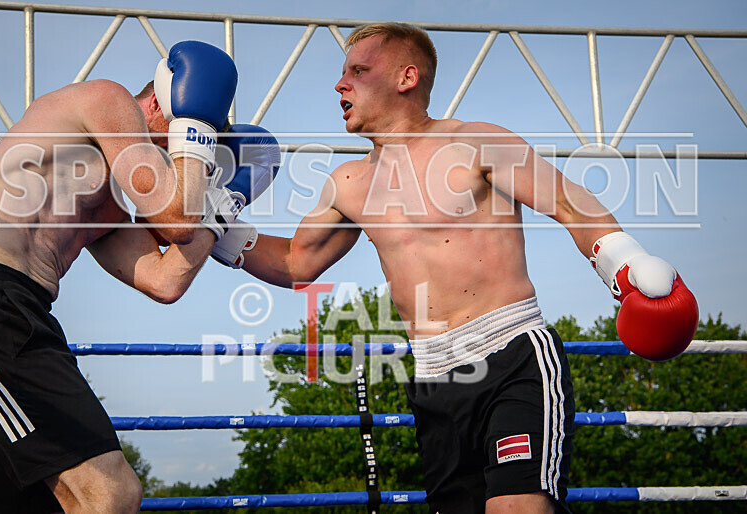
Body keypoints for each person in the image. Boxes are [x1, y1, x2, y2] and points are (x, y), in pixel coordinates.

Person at [213, 23, 698, 514]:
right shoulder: (349, 183)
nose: (340, 85)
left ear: (407, 77)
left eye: (359, 71)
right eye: (342, 74)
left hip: (513, 356)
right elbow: (296, 261)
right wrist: (212, 220)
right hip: (433, 377)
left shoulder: (477, 143)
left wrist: (624, 262)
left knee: (517, 507)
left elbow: (570, 204)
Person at [0, 40, 244, 513]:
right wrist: (197, 131)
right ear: (157, 105)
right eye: (181, 143)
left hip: (17, 313)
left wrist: (224, 208)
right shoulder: (106, 99)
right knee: (110, 493)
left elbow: (165, 280)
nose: (182, 167)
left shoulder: (104, 206)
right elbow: (178, 219)